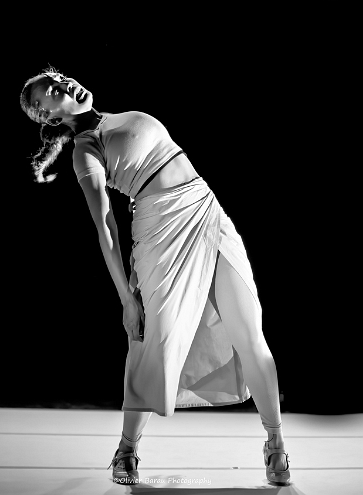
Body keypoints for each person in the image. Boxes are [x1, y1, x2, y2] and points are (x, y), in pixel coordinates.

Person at [20, 67, 291, 486]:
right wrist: (127, 300)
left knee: (250, 331)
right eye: (53, 91)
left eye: (60, 78)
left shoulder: (118, 117)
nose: (66, 84)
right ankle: (127, 449)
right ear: (48, 116)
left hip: (205, 211)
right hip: (160, 233)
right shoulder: (86, 148)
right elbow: (105, 228)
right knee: (153, 343)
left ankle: (276, 444)